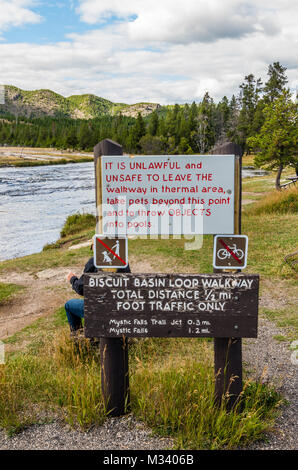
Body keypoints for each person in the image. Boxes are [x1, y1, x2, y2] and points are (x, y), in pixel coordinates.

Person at [65, 248, 131, 334]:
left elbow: (81, 289)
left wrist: (72, 279)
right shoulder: (123, 262)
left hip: (99, 309)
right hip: (121, 308)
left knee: (69, 305)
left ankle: (77, 339)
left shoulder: (94, 262)